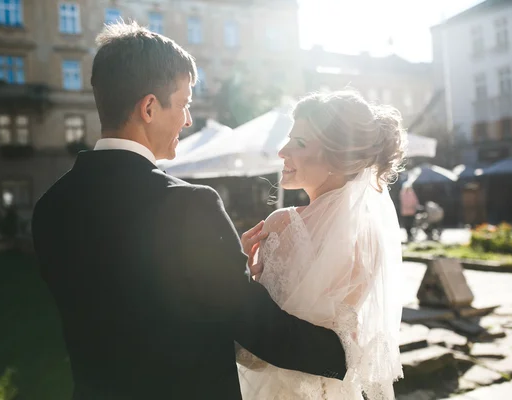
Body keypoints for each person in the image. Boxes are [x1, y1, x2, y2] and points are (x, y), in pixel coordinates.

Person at [31, 21, 347, 400]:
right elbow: (254, 326)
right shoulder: (188, 205)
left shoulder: (50, 206)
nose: (188, 120)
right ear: (149, 107)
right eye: (183, 104)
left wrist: (225, 268)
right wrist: (347, 356)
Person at [239, 90, 405, 399]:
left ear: (337, 158)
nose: (282, 151)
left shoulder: (282, 225)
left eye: (299, 143)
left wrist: (240, 276)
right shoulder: (371, 237)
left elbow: (258, 350)